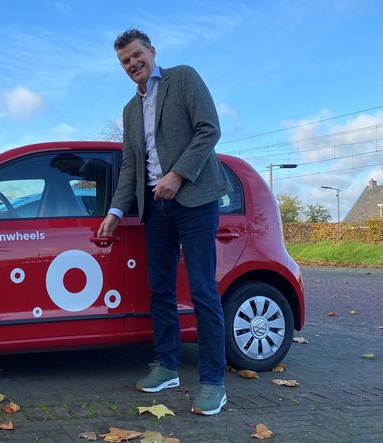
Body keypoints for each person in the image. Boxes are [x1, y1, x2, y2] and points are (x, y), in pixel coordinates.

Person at [97, 29, 231, 416]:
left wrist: (178, 175)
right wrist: (116, 211)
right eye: (125, 60)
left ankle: (212, 383)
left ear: (152, 52)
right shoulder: (129, 110)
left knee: (204, 290)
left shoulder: (184, 78)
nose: (132, 63)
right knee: (160, 289)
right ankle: (168, 366)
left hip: (195, 200)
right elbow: (131, 166)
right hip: (154, 208)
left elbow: (210, 129)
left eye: (137, 55)